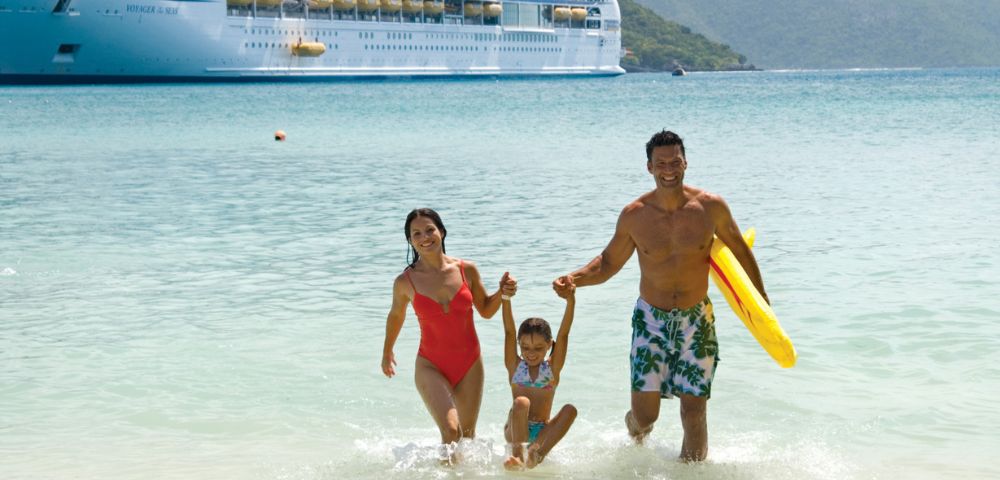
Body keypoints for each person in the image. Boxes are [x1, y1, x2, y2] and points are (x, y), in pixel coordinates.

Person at [551, 130, 769, 462]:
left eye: (675, 162)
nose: (669, 169)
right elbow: (608, 263)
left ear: (686, 163)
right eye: (661, 163)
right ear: (649, 167)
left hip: (697, 321)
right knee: (645, 417)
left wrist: (762, 304)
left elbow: (740, 251)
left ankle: (691, 473)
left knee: (694, 412)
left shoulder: (711, 207)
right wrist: (574, 279)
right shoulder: (635, 215)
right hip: (650, 320)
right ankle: (633, 430)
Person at [381, 208, 517, 462]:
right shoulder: (405, 281)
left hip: (470, 363)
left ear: (441, 232)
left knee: (467, 438)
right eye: (416, 233)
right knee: (451, 431)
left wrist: (503, 292)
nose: (425, 237)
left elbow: (486, 310)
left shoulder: (466, 270)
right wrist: (387, 352)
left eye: (429, 230)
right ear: (410, 240)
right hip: (430, 364)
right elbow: (396, 316)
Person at [501, 275, 578, 470]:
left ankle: (536, 455)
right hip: (515, 429)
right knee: (521, 402)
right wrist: (506, 297)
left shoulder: (551, 369)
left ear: (549, 345)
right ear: (519, 345)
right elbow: (509, 331)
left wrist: (570, 301)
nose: (531, 353)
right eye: (525, 347)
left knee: (570, 410)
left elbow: (564, 334)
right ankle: (518, 455)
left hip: (542, 432)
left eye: (538, 348)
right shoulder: (515, 366)